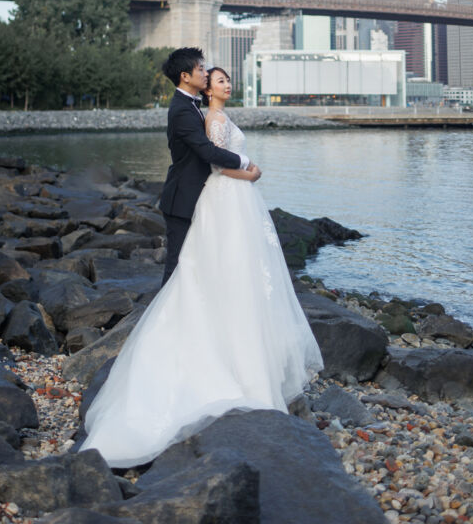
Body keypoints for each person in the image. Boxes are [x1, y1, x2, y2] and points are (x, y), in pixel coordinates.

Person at [79, 64, 323, 468]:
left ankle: (245, 355)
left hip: (234, 199)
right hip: (227, 196)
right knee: (222, 271)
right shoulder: (208, 117)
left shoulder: (214, 114)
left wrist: (245, 174)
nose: (228, 84)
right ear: (206, 87)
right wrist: (249, 172)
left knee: (236, 274)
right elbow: (214, 162)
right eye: (220, 80)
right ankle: (228, 363)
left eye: (228, 79)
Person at [158, 47, 260, 286]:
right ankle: (165, 320)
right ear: (185, 76)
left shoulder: (191, 105)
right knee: (177, 265)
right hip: (182, 198)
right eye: (201, 68)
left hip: (198, 194)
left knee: (196, 262)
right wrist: (245, 163)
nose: (205, 73)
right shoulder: (182, 110)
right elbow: (207, 152)